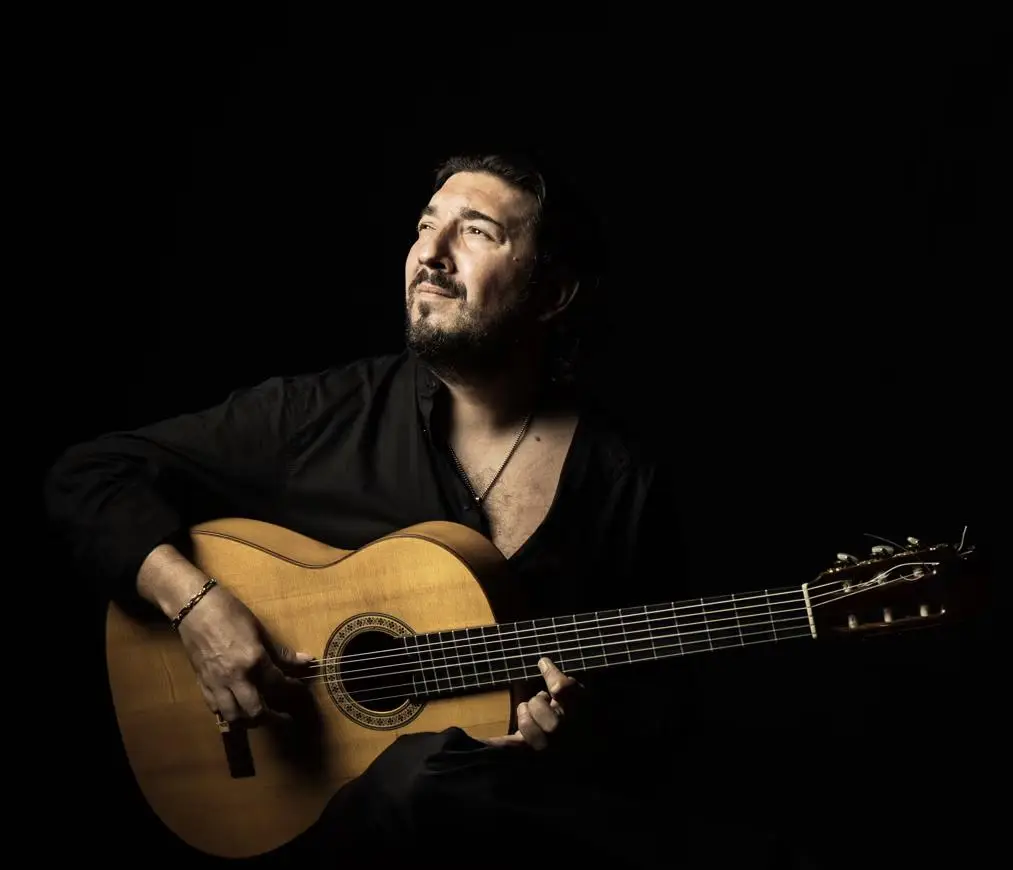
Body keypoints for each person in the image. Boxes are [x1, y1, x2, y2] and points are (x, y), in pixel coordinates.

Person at [44, 153, 801, 868]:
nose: (429, 254)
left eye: (475, 231)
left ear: (553, 291)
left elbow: (663, 712)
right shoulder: (322, 415)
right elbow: (90, 474)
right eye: (423, 226)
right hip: (314, 816)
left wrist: (579, 730)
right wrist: (198, 606)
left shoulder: (620, 478)